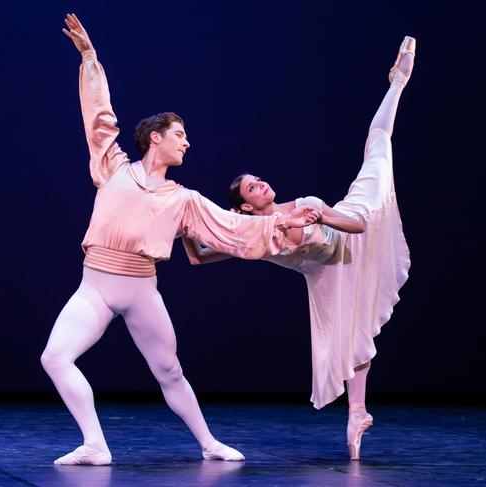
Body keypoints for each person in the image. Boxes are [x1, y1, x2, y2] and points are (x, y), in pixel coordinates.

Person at [40, 13, 319, 466]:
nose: (187, 144)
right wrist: (90, 59)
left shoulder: (183, 199)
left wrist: (278, 225)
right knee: (55, 357)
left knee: (169, 370)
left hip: (139, 289)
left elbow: (231, 229)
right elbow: (99, 118)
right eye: (180, 136)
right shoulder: (113, 166)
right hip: (94, 285)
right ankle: (95, 444)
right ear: (156, 139)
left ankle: (209, 443)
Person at [182, 36, 415, 460]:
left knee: (378, 144)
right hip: (327, 275)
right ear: (244, 205)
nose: (262, 184)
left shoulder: (305, 206)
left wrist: (323, 215)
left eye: (259, 179)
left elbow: (359, 224)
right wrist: (182, 222)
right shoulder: (252, 234)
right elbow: (198, 257)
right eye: (253, 187)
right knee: (353, 336)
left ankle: (396, 82)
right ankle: (357, 413)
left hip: (349, 229)